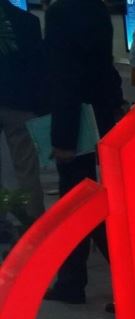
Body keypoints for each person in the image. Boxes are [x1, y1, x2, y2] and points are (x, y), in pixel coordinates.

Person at [43, 0, 125, 306]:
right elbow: (104, 68)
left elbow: (64, 78)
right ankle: (73, 281)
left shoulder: (61, 12)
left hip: (76, 125)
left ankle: (128, 280)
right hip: (99, 118)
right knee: (90, 201)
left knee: (80, 204)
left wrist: (62, 137)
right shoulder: (97, 9)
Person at [0, 0, 46, 228]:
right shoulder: (28, 21)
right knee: (26, 167)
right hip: (20, 103)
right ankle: (33, 224)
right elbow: (38, 68)